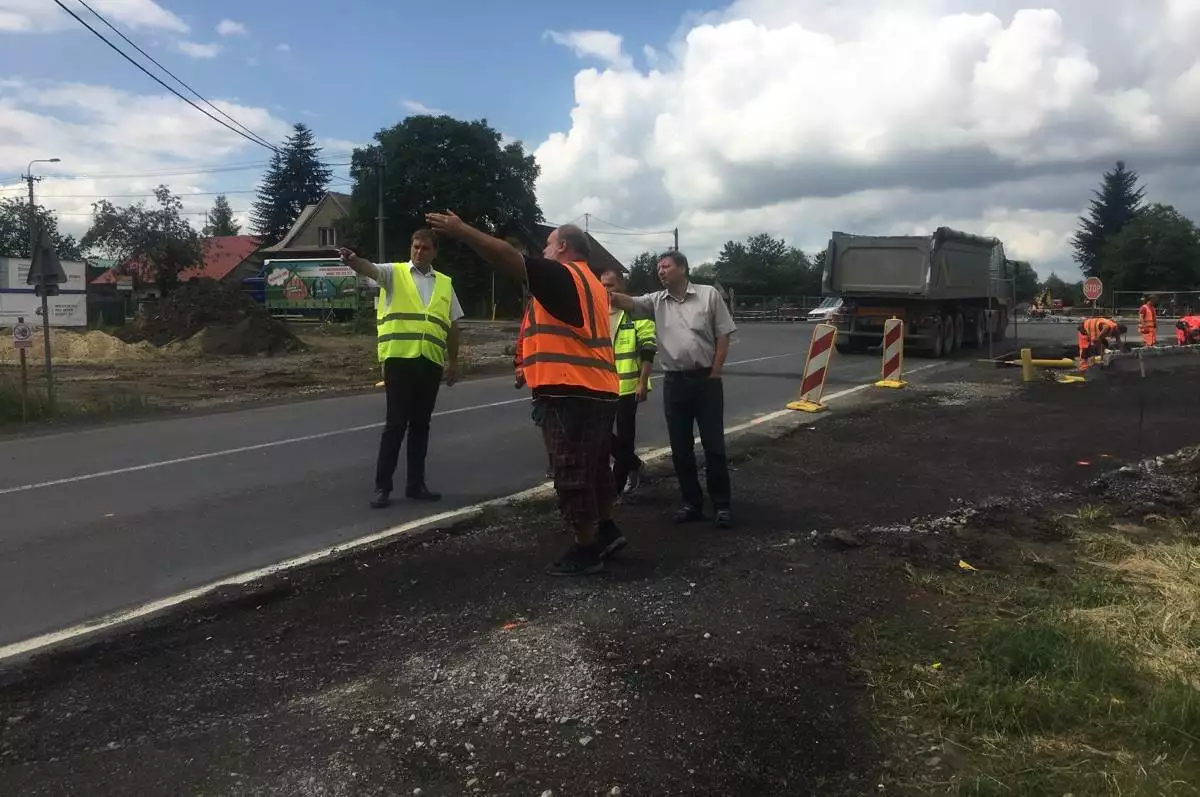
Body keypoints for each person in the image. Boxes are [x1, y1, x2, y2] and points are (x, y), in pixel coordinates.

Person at [425, 211, 623, 576]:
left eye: (547, 244)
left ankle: (586, 549)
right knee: (595, 468)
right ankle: (607, 530)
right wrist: (527, 362)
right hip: (598, 388)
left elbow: (507, 258)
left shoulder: (564, 274)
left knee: (570, 471)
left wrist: (462, 230)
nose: (542, 251)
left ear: (563, 246)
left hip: (569, 391)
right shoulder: (592, 282)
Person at [609, 251, 736, 529]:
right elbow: (627, 301)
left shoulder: (708, 296)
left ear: (682, 268)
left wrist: (716, 371)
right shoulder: (656, 301)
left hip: (706, 380)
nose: (660, 271)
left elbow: (723, 333)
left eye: (665, 266)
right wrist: (599, 291)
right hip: (675, 383)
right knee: (680, 448)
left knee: (714, 446)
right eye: (658, 268)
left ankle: (722, 505)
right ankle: (691, 502)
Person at [338, 230, 463, 508]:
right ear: (411, 247)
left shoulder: (444, 283)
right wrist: (353, 260)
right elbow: (369, 269)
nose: (419, 251)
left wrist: (453, 362)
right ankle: (382, 487)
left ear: (434, 252)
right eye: (416, 246)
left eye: (426, 248)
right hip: (399, 361)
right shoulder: (394, 273)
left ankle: (416, 485)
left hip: (429, 362)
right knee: (395, 425)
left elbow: (453, 326)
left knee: (421, 426)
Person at [598, 266, 657, 497]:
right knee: (600, 433)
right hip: (601, 385)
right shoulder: (598, 311)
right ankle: (635, 465)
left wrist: (643, 382)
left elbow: (648, 350)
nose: (605, 291)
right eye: (601, 286)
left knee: (625, 437)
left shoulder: (637, 311)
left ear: (622, 285)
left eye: (610, 286)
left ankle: (617, 486)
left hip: (628, 386)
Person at [513, 293, 554, 479]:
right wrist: (520, 365)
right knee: (545, 419)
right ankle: (554, 461)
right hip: (541, 373)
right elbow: (524, 335)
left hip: (570, 373)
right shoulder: (534, 303)